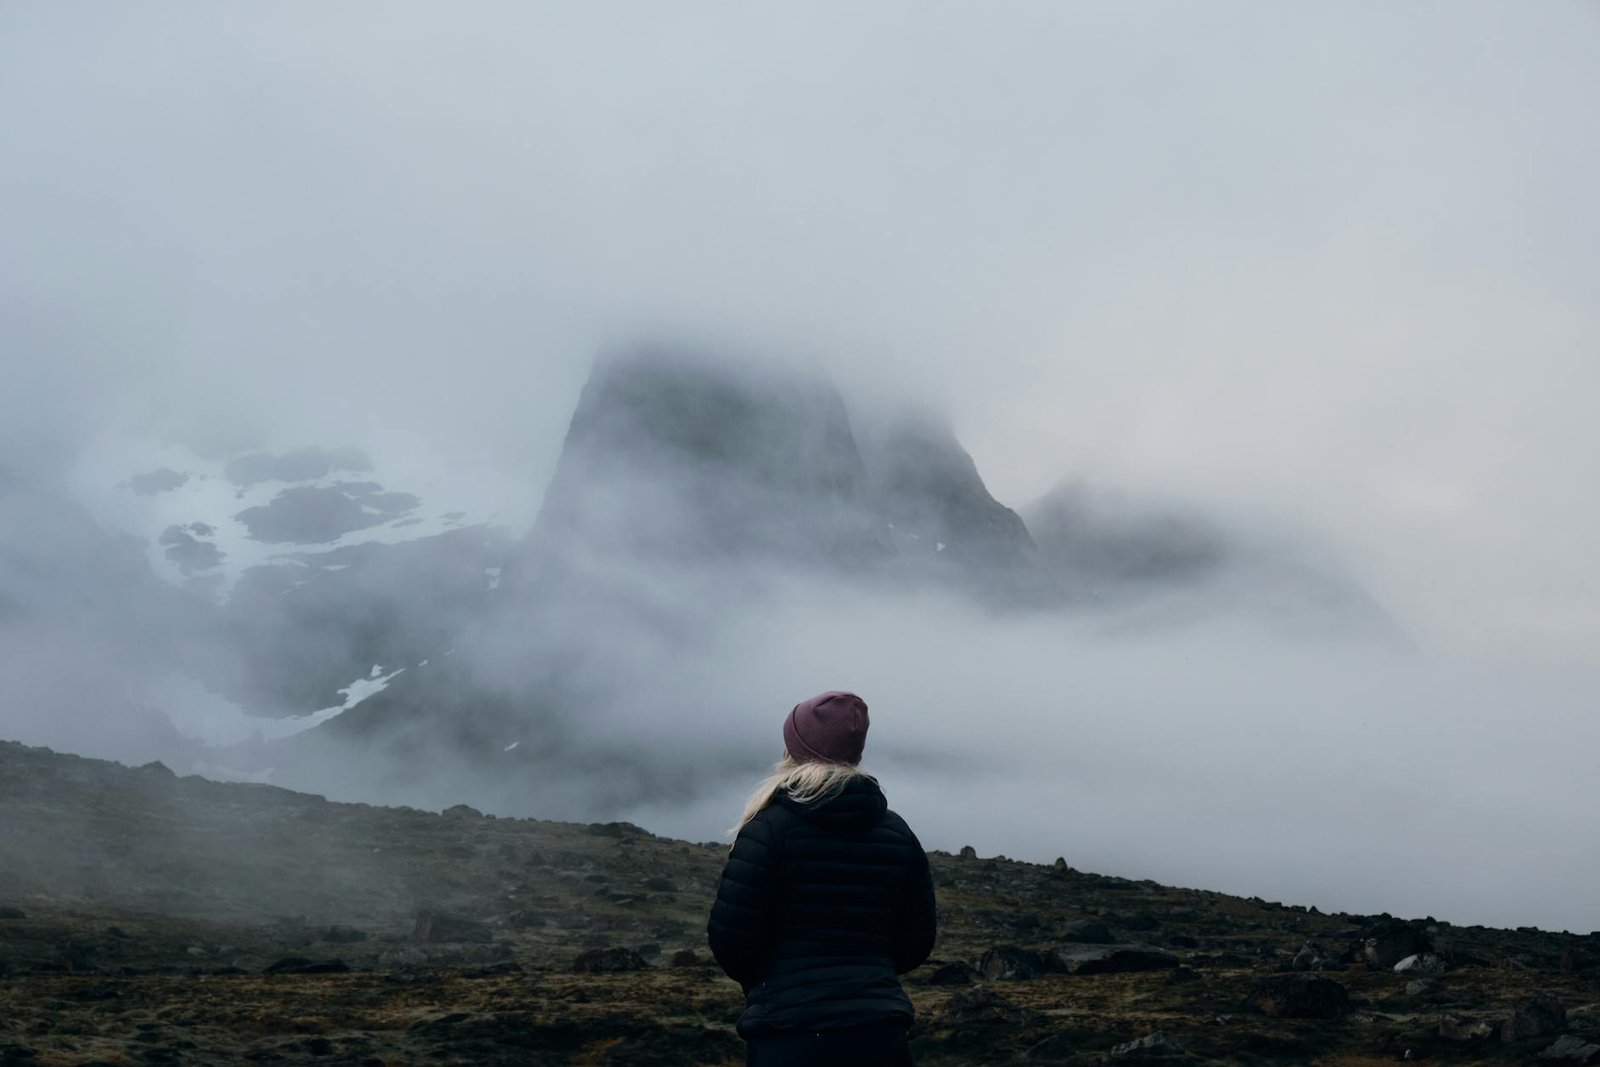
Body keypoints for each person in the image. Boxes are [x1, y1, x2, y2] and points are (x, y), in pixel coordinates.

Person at [707, 691, 937, 1067]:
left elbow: (731, 938)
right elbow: (916, 940)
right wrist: (868, 976)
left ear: (794, 748)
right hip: (880, 1033)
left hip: (788, 1034)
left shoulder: (767, 829)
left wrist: (772, 983)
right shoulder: (897, 834)